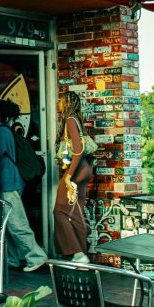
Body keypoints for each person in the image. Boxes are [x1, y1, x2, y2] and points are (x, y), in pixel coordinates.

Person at [0, 99, 48, 272]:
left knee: (17, 223)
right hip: (12, 182)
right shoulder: (7, 130)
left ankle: (36, 257)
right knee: (8, 224)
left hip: (8, 183)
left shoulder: (1, 131)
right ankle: (12, 259)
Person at [54, 91, 91, 263]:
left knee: (60, 211)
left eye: (60, 101)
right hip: (84, 169)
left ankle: (77, 253)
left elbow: (78, 150)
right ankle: (81, 253)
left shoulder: (70, 120)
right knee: (76, 212)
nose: (58, 104)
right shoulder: (77, 119)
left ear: (67, 103)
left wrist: (68, 176)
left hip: (77, 170)